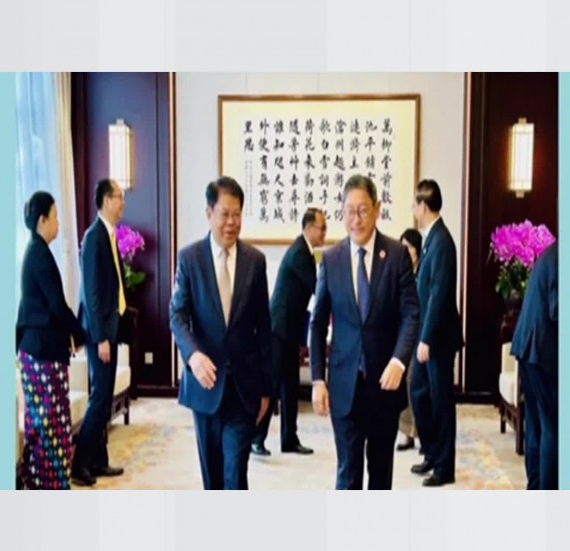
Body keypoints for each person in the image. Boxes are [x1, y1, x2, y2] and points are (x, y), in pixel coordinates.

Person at [309, 174, 420, 490]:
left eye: (362, 210)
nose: (355, 219)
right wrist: (317, 379)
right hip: (344, 386)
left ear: (377, 209)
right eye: (349, 211)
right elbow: (317, 323)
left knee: (381, 475)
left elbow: (411, 314)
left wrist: (399, 361)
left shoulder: (396, 254)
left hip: (385, 383)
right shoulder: (331, 259)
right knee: (348, 474)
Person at [170, 176, 274, 489]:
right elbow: (177, 315)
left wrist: (267, 389)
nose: (231, 222)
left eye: (237, 214)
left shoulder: (255, 261)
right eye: (224, 214)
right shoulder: (190, 259)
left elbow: (264, 328)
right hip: (206, 384)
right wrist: (193, 356)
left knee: (235, 474)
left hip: (244, 388)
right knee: (212, 478)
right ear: (209, 213)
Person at [15, 191, 86, 490]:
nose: (58, 223)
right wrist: (80, 333)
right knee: (51, 428)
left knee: (44, 426)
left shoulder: (37, 251)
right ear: (42, 220)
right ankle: (49, 486)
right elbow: (57, 305)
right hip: (41, 355)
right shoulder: (39, 255)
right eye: (55, 217)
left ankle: (40, 483)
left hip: (38, 352)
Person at [253, 208, 327, 456]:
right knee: (273, 385)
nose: (324, 234)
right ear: (309, 228)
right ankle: (256, 438)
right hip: (278, 329)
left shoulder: (306, 251)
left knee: (290, 386)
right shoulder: (299, 253)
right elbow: (318, 288)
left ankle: (289, 439)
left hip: (290, 329)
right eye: (322, 228)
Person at [72, 179, 131, 486]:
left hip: (110, 329)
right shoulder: (93, 237)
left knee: (104, 397)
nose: (123, 203)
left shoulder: (108, 235)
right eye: (119, 197)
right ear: (107, 200)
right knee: (100, 398)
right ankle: (80, 463)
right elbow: (91, 294)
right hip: (100, 334)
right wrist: (101, 338)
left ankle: (99, 460)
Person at [409, 179, 464, 487]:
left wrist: (426, 338)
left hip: (438, 338)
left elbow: (439, 295)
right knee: (418, 392)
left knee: (441, 402)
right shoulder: (431, 238)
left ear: (424, 206)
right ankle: (431, 451)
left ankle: (445, 467)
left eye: (415, 204)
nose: (413, 209)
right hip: (427, 334)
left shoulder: (442, 241)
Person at [511, 241, 558, 490]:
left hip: (528, 347)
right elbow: (557, 310)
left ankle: (536, 486)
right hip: (541, 351)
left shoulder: (554, 252)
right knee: (552, 426)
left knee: (536, 424)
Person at [396, 228, 423, 452]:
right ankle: (407, 434)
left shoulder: (421, 272)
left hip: (421, 337)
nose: (405, 252)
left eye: (410, 248)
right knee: (404, 385)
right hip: (403, 338)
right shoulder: (401, 272)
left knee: (417, 386)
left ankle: (423, 434)